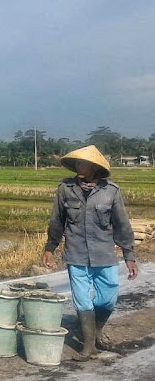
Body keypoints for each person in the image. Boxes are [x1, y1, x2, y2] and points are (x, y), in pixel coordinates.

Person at [42, 145, 138, 362]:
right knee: (82, 301)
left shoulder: (110, 191)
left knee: (108, 298)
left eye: (83, 163)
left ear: (94, 167)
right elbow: (57, 221)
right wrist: (50, 248)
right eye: (76, 163)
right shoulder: (66, 189)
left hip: (103, 253)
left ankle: (95, 331)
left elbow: (122, 225)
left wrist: (129, 256)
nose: (78, 166)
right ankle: (89, 346)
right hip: (75, 253)